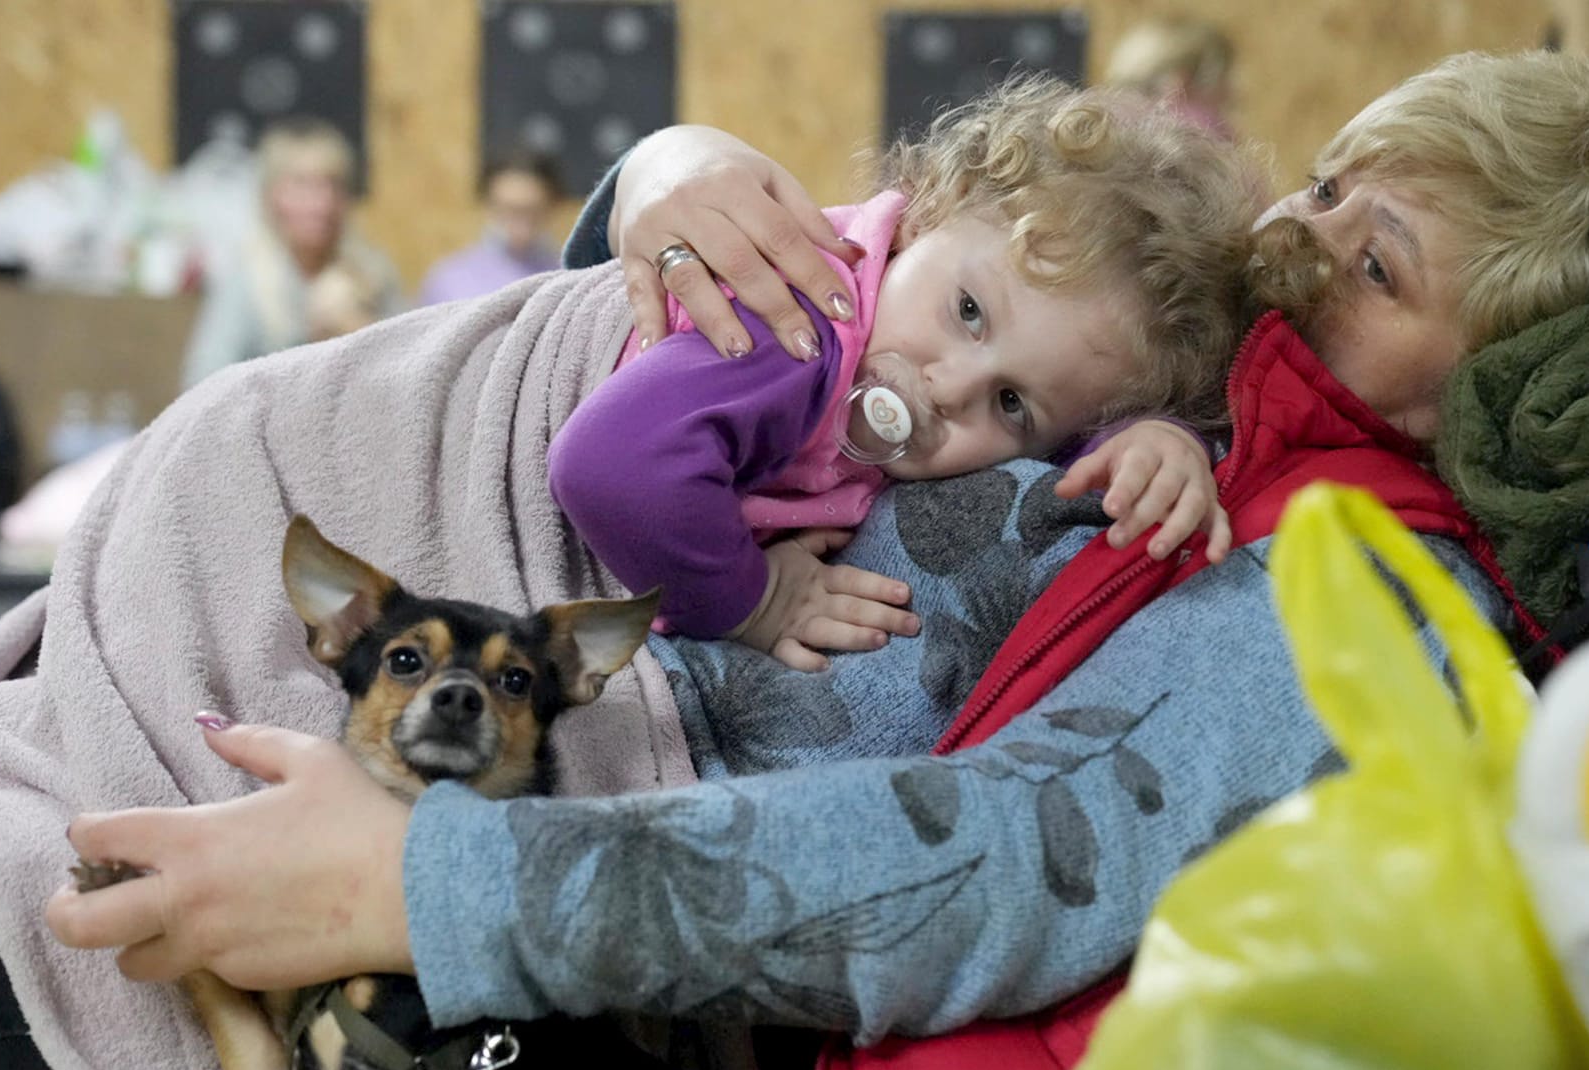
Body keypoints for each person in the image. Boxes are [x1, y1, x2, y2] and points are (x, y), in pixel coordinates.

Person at [0, 49, 1589, 1070]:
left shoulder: (1343, 576)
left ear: (1499, 379)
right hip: (343, 613)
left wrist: (426, 884)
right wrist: (667, 174)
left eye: (1373, 261)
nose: (1287, 246)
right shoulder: (1192, 400)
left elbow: (998, 859)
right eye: (1316, 183)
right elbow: (706, 369)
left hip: (449, 821)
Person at [551, 78, 1257, 670]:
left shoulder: (926, 316)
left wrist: (1156, 440)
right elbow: (607, 467)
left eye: (1010, 403)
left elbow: (1075, 428)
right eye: (970, 312)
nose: (950, 387)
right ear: (923, 214)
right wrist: (755, 600)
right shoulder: (801, 330)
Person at [181, 117, 403, 390]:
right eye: (302, 186)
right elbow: (202, 385)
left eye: (332, 185)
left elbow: (410, 373)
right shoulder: (246, 282)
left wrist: (358, 329)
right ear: (271, 196)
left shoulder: (373, 273)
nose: (321, 204)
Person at [417, 148, 566, 306]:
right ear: (488, 205)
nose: (521, 226)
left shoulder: (565, 277)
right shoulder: (448, 281)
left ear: (552, 205)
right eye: (510, 210)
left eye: (532, 211)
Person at [1103, 17, 1239, 140]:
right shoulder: (1204, 134)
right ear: (1180, 83)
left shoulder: (1099, 133)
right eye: (1223, 77)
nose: (1233, 91)